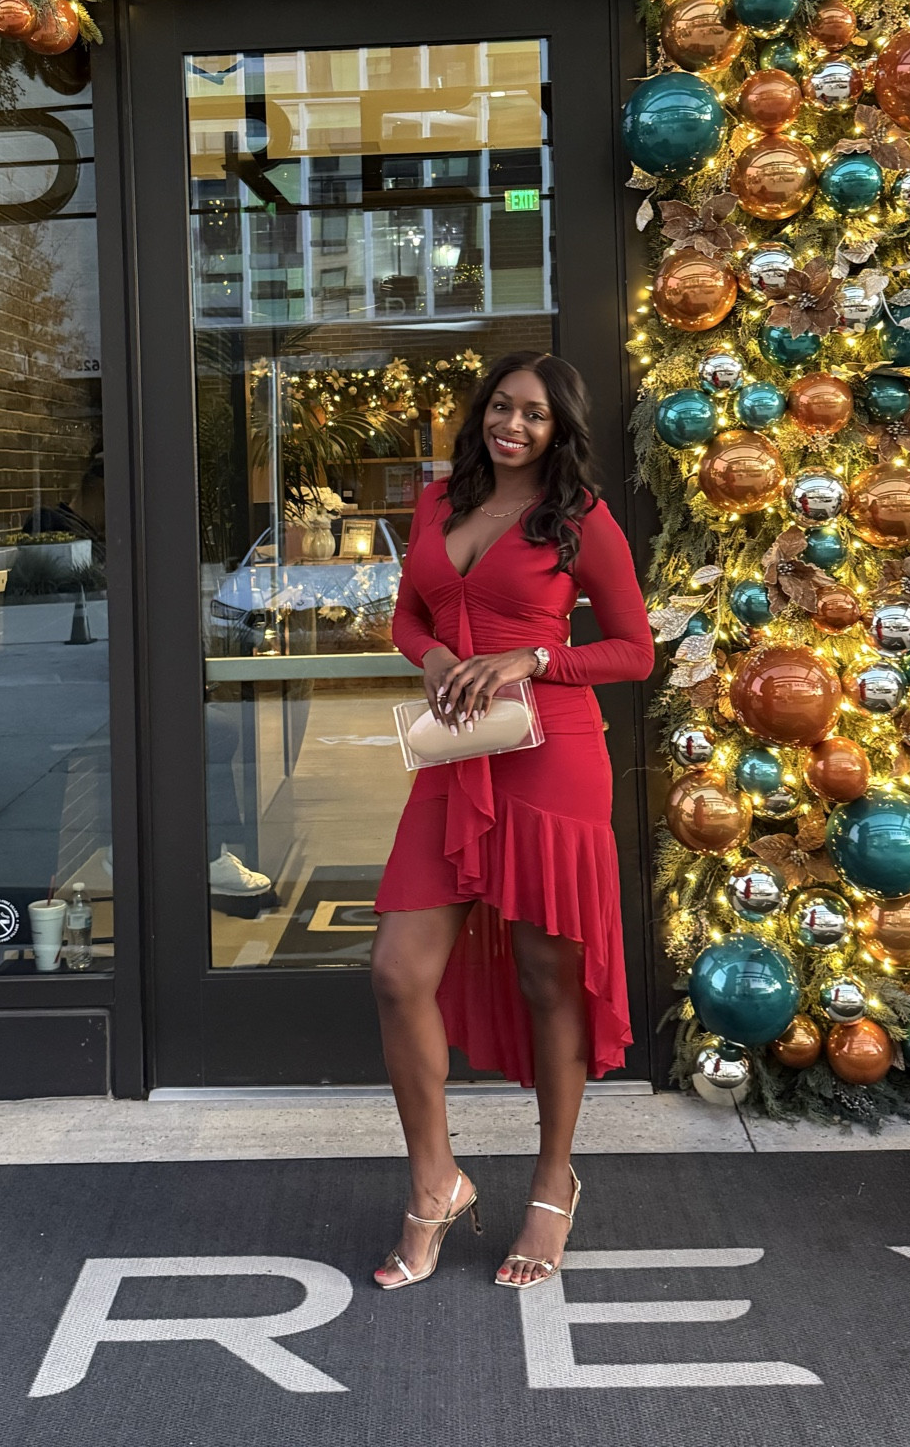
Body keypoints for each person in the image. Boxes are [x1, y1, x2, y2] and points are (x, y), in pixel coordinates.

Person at [370, 352, 653, 1290]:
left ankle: (551, 1179)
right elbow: (409, 617)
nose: (514, 426)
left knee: (547, 975)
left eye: (535, 415)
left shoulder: (580, 522)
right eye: (502, 407)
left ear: (559, 430)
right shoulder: (437, 501)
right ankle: (435, 1183)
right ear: (480, 413)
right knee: (398, 972)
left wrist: (534, 658)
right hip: (454, 760)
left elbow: (633, 651)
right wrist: (437, 655)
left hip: (549, 758)